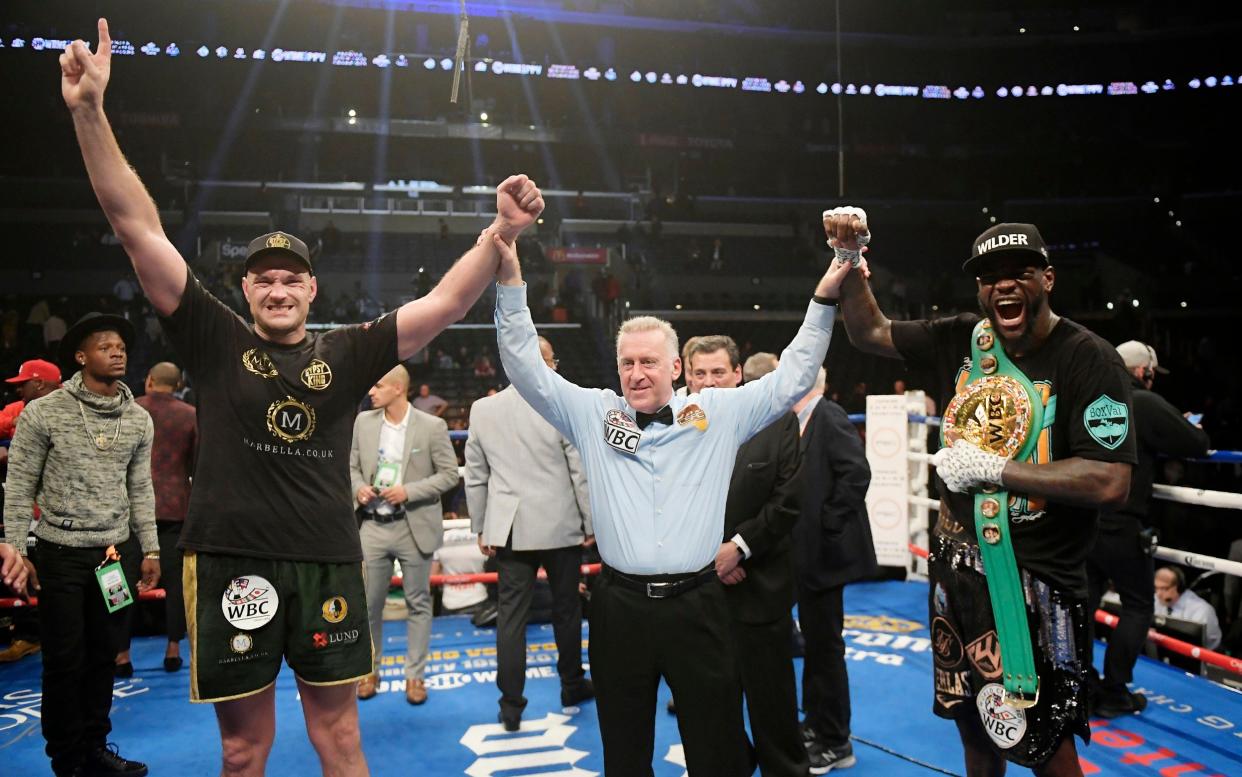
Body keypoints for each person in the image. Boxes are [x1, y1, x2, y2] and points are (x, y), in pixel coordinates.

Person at [59, 18, 544, 776]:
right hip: (230, 565)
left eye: (292, 278)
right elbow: (135, 226)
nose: (279, 287)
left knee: (340, 739)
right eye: (264, 277)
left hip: (324, 561)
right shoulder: (214, 336)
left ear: (312, 288)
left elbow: (447, 303)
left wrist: (498, 235)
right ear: (245, 288)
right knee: (244, 748)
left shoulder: (347, 349)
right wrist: (89, 111)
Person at [491, 228, 851, 776]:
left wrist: (826, 292)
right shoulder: (592, 414)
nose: (637, 373)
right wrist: (511, 273)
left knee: (718, 752)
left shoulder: (719, 414)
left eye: (649, 362)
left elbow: (794, 374)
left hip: (699, 604)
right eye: (627, 363)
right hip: (619, 608)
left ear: (675, 369)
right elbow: (522, 364)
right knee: (625, 752)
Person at [830, 209, 1135, 777]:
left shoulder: (1087, 358)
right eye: (991, 276)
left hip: (1035, 578)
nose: (1004, 285)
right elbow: (867, 332)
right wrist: (850, 259)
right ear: (979, 288)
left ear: (1047, 279)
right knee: (974, 725)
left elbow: (1110, 480)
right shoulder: (963, 338)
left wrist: (996, 467)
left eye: (1020, 271)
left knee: (1045, 740)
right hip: (956, 570)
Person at [3, 312, 161, 777]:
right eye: (105, 345)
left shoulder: (137, 419)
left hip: (114, 556)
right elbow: (19, 486)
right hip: (60, 555)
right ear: (80, 356)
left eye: (122, 346)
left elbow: (141, 490)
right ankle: (67, 759)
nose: (117, 352)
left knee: (104, 656)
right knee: (64, 660)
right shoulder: (44, 412)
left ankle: (95, 746)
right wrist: (15, 547)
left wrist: (150, 549)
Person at [685, 342, 809, 777]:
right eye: (700, 373)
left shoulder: (776, 422)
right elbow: (668, 502)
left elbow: (789, 501)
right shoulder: (676, 427)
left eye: (718, 372)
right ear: (686, 376)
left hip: (762, 593)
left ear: (738, 373)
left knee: (773, 709)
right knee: (710, 713)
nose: (709, 382)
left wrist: (738, 547)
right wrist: (709, 556)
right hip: (700, 594)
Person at [465, 336, 594, 732]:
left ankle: (510, 706)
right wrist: (592, 523)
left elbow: (475, 474)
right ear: (548, 363)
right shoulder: (561, 406)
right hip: (560, 524)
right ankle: (571, 685)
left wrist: (481, 525)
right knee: (567, 610)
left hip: (510, 527)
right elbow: (579, 472)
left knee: (511, 618)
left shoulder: (484, 409)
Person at [1087, 341, 1210, 717]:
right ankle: (1114, 691)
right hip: (1122, 522)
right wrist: (1186, 424)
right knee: (1139, 606)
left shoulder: (1090, 397)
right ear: (1144, 372)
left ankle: (1080, 682)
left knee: (1084, 602)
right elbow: (1197, 443)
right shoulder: (1143, 401)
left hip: (1083, 519)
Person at [350, 365, 459, 704]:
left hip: (414, 526)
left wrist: (409, 491)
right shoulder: (362, 423)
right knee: (368, 606)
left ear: (398, 389)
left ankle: (416, 677)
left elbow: (449, 475)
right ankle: (369, 670)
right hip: (372, 526)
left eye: (378, 385)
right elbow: (351, 465)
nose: (371, 390)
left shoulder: (432, 426)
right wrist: (358, 490)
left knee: (418, 604)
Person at [790, 367, 875, 773]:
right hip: (809, 559)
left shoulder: (830, 415)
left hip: (826, 557)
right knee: (816, 647)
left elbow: (857, 472)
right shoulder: (803, 421)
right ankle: (815, 723)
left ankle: (836, 741)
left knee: (826, 650)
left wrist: (827, 523)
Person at [124, 361, 197, 675]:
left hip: (127, 511)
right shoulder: (190, 415)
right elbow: (197, 466)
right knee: (175, 584)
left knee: (120, 583)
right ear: (178, 384)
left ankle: (120, 653)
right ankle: (172, 649)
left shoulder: (129, 410)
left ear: (149, 380)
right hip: (174, 509)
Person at [0, 359, 62, 664]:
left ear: (38, 383)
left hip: (77, 517)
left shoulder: (72, 408)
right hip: (32, 511)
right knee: (27, 571)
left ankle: (115, 643)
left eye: (23, 384)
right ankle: (28, 634)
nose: (18, 389)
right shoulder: (18, 410)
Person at [1154, 567, 1222, 649]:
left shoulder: (1202, 610)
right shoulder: (1155, 600)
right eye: (1156, 588)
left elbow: (1211, 644)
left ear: (1178, 587)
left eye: (1164, 589)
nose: (1158, 594)